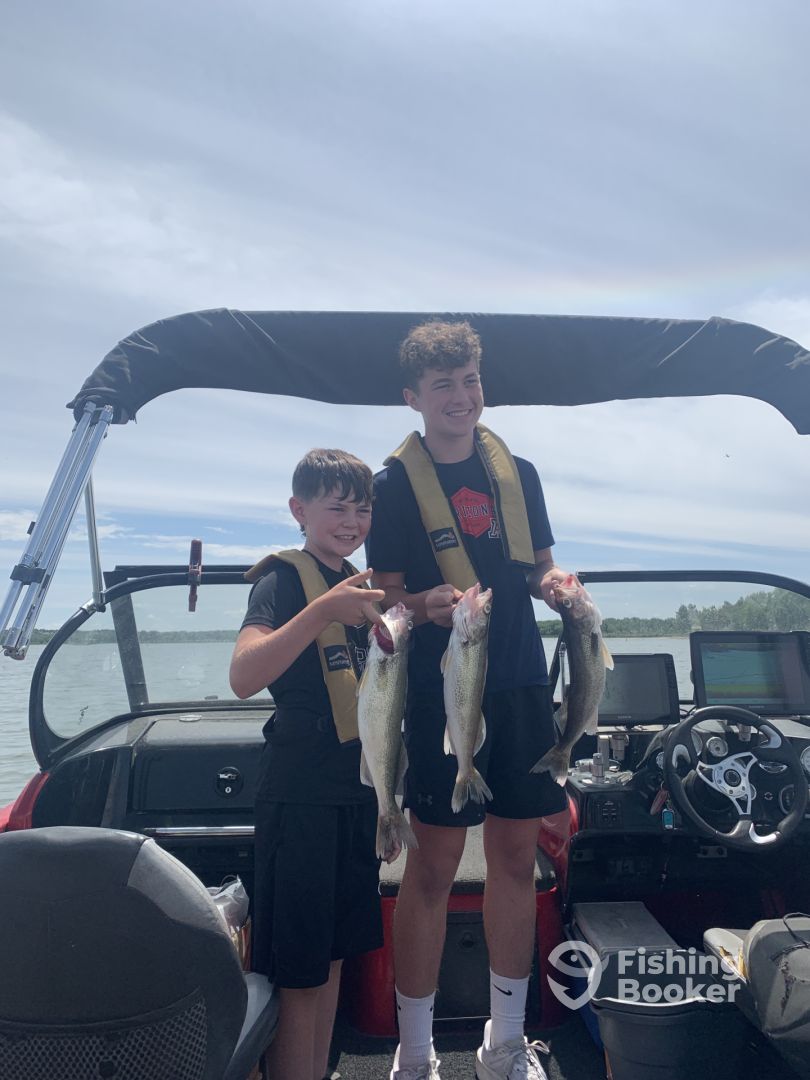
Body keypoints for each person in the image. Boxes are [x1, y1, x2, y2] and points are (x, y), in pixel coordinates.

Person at [367, 321, 571, 1080]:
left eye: (471, 380)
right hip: (436, 691)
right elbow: (388, 594)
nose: (461, 396)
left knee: (515, 860)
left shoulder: (519, 472)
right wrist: (422, 606)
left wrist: (558, 587)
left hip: (518, 680)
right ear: (413, 397)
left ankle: (504, 1043)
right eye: (443, 385)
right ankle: (415, 1052)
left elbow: (539, 567)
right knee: (433, 868)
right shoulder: (391, 487)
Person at [230, 448, 386, 1080]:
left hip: (357, 791)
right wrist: (323, 610)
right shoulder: (282, 582)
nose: (352, 522)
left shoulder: (364, 583)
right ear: (299, 510)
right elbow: (244, 676)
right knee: (299, 969)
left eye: (363, 510)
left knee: (334, 956)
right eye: (337, 508)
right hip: (300, 797)